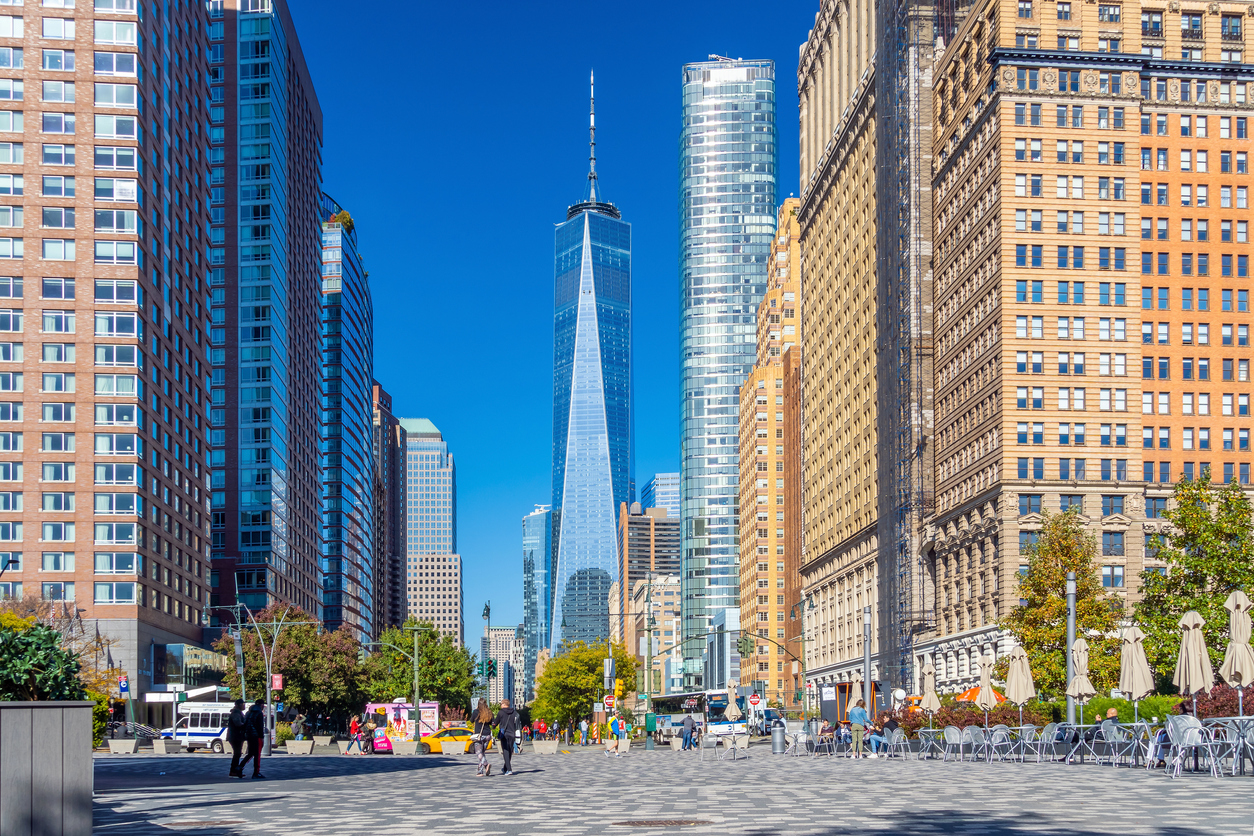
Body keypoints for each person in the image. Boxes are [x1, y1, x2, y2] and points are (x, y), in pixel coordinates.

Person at [237, 698, 267, 779]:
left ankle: (240, 767)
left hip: (248, 735)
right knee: (257, 754)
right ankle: (256, 772)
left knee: (250, 753)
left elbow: (245, 723)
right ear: (261, 705)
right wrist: (262, 737)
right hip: (256, 735)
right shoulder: (259, 713)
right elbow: (260, 726)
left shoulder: (248, 712)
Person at [495, 698, 521, 775]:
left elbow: (496, 722)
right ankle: (505, 768)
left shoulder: (501, 712)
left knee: (506, 751)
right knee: (509, 751)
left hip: (504, 734)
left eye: (501, 704)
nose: (500, 705)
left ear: (504, 704)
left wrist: (493, 725)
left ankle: (509, 769)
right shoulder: (514, 713)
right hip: (512, 734)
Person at [472, 699, 493, 776]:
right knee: (482, 753)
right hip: (487, 735)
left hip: (479, 736)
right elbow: (492, 723)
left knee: (479, 753)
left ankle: (486, 764)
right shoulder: (489, 712)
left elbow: (471, 720)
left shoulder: (476, 712)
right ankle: (480, 771)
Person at [227, 699, 247, 778]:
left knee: (237, 754)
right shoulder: (236, 713)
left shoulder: (238, 712)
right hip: (235, 736)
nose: (244, 706)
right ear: (238, 705)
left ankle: (234, 770)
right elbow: (238, 724)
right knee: (237, 754)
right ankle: (233, 770)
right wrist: (246, 724)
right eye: (243, 704)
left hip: (236, 736)